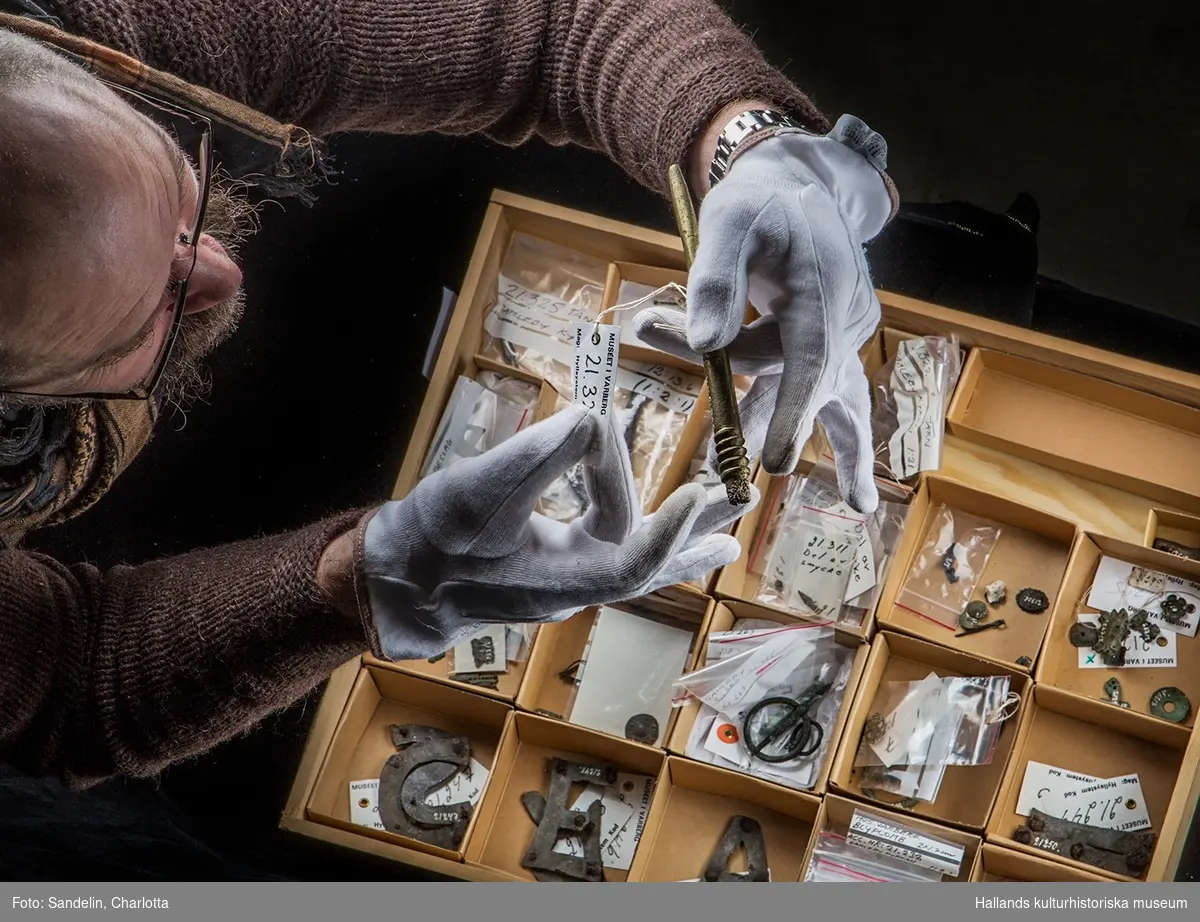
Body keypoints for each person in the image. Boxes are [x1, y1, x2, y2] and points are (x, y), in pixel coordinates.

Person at [0, 0, 897, 790]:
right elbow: (71, 680)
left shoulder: (124, 26)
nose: (227, 273)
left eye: (181, 182)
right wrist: (354, 587)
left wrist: (747, 147)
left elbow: (558, 21)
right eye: (153, 310)